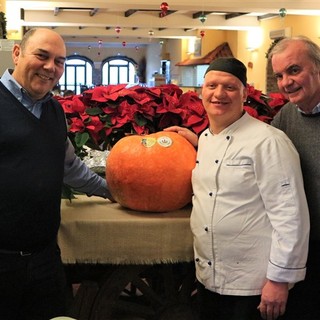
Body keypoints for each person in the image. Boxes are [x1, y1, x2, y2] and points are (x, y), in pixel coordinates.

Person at [165, 57, 310, 320]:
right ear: (200, 93)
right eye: (211, 86)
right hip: (210, 277)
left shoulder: (269, 142)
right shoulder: (208, 139)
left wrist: (279, 280)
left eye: (230, 87)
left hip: (254, 285)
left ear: (245, 93)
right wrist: (192, 144)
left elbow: (290, 216)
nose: (219, 94)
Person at [0, 28, 113, 320]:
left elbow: (69, 168)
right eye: (42, 56)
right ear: (17, 53)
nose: (51, 67)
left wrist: (113, 190)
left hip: (44, 260)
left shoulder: (54, 111)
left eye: (60, 61)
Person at [269, 36, 320, 319]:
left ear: (317, 68)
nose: (286, 81)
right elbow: (258, 153)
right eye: (279, 75)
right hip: (306, 247)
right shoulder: (287, 115)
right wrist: (204, 142)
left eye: (294, 70)